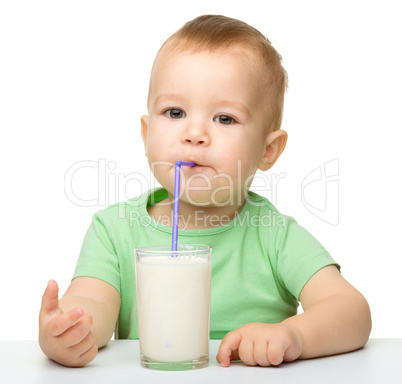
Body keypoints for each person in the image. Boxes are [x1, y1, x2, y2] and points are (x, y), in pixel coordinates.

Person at [39, 14, 371, 368]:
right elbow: (94, 302)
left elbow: (352, 312)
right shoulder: (113, 230)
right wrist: (73, 329)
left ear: (267, 151)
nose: (194, 133)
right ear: (145, 135)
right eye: (175, 112)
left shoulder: (274, 235)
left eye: (224, 118)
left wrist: (294, 335)